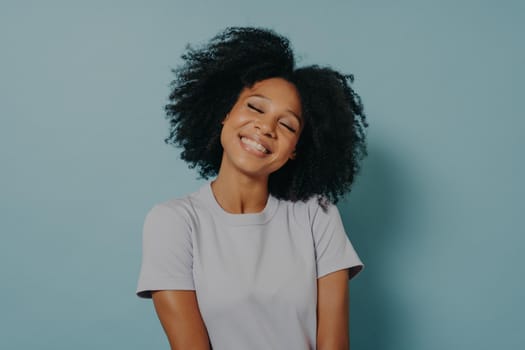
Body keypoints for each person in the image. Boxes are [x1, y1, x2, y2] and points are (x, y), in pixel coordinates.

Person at [136, 27, 368, 350]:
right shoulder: (173, 222)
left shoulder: (317, 214)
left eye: (287, 125)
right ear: (225, 113)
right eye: (255, 108)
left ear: (296, 149)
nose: (265, 128)